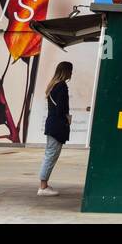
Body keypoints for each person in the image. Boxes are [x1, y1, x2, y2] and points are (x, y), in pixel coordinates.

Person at [39, 61, 72, 196]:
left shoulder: (53, 85)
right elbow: (61, 109)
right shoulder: (62, 86)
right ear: (66, 71)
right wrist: (66, 119)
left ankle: (44, 184)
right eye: (70, 70)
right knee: (51, 154)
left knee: (50, 154)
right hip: (57, 125)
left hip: (51, 123)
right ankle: (43, 186)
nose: (72, 73)